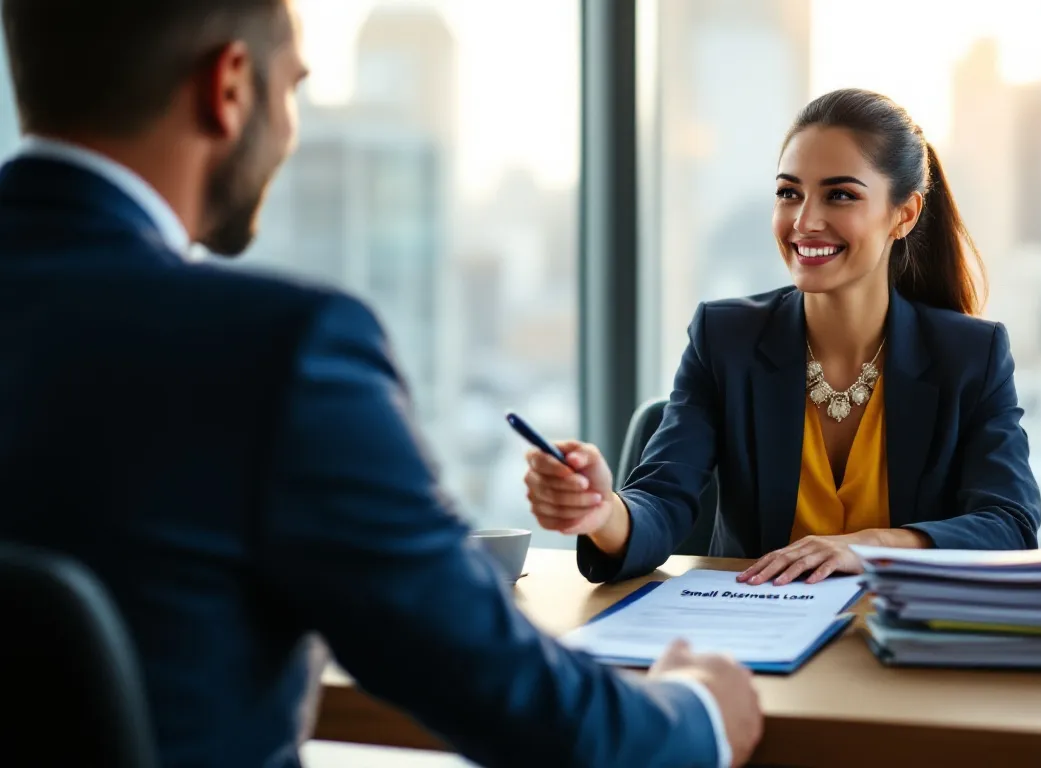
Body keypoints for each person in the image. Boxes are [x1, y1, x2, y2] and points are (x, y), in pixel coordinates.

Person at [0, 1, 761, 766]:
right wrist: (697, 708)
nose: (290, 132)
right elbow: (520, 702)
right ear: (229, 87)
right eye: (291, 88)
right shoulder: (275, 351)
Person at [525, 88, 1041, 586]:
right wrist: (600, 510)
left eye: (839, 195)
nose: (805, 220)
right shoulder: (724, 339)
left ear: (904, 214)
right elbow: (661, 501)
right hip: (757, 649)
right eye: (789, 193)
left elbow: (1008, 525)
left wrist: (871, 546)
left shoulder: (971, 356)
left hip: (902, 649)